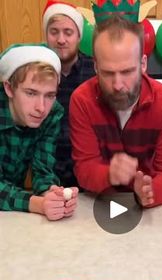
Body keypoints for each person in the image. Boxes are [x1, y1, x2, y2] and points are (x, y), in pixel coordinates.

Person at [69, 15, 162, 207]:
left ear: (143, 64)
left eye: (127, 71)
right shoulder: (81, 101)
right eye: (107, 73)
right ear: (95, 67)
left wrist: (149, 193)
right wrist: (109, 174)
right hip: (98, 204)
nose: (118, 85)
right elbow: (84, 168)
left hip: (150, 213)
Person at [0, 43, 78, 220]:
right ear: (9, 88)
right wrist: (37, 204)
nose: (41, 108)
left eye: (50, 95)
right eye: (31, 93)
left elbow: (43, 169)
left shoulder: (53, 113)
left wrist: (50, 193)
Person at [43, 0, 95, 187]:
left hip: (89, 168)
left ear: (79, 36)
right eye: (54, 32)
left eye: (68, 32)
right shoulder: (35, 71)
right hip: (46, 170)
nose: (61, 39)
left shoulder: (96, 70)